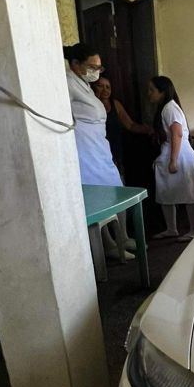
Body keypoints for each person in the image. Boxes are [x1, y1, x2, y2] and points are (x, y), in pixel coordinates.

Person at [64, 43, 135, 260]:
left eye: (99, 67)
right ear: (75, 63)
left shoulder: (84, 84)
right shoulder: (67, 83)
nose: (96, 71)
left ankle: (122, 236)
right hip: (85, 152)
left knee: (117, 191)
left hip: (100, 149)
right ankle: (109, 244)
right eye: (92, 66)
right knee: (97, 200)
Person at [147, 76, 194, 241]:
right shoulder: (166, 108)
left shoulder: (169, 108)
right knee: (166, 193)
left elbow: (177, 134)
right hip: (173, 153)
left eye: (152, 90)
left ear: (162, 92)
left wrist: (173, 160)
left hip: (180, 155)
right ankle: (171, 228)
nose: (149, 94)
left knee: (190, 194)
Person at [91, 76, 152, 175]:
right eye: (100, 86)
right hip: (97, 151)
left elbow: (130, 125)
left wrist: (149, 129)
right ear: (93, 87)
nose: (105, 90)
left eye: (108, 87)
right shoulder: (91, 105)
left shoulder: (115, 104)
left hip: (115, 151)